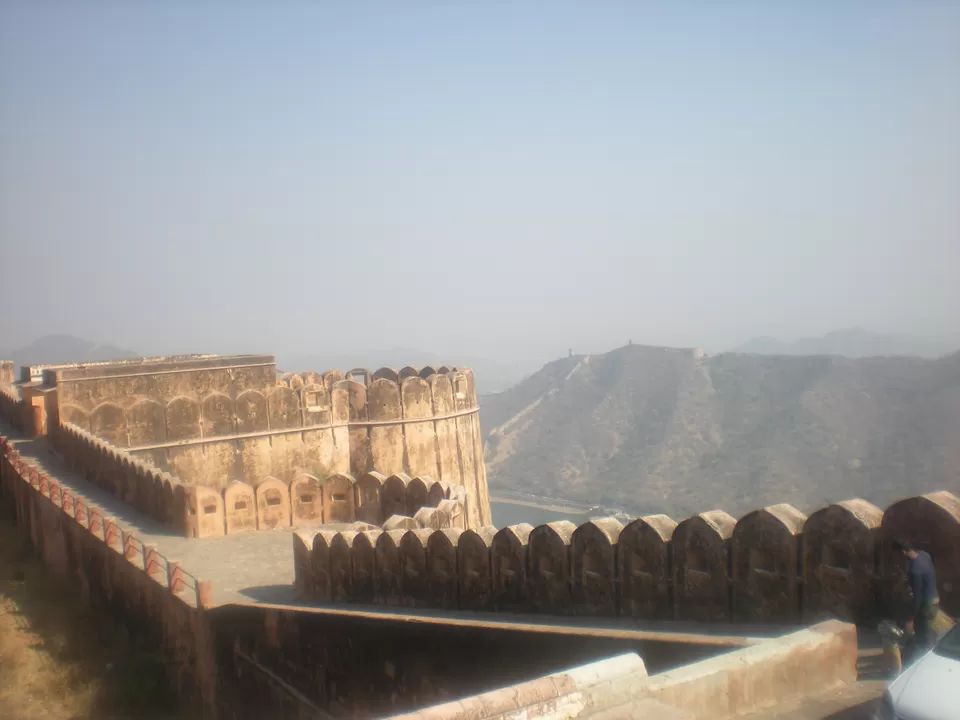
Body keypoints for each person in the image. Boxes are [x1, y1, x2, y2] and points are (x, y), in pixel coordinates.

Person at [892, 539, 939, 653]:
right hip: (935, 598)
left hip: (926, 605)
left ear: (903, 552)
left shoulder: (915, 570)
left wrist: (912, 616)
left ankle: (926, 656)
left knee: (922, 634)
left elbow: (918, 596)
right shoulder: (924, 555)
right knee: (928, 630)